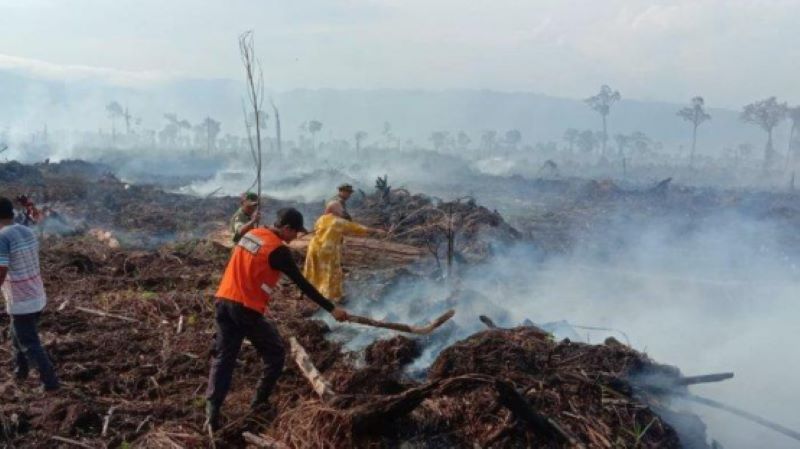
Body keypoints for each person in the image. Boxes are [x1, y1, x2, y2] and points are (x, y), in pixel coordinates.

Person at [205, 208, 350, 431]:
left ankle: (211, 414)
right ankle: (259, 404)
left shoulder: (251, 234)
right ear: (286, 228)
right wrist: (332, 309)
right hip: (245, 309)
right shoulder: (278, 251)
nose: (296, 238)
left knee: (223, 358)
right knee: (275, 354)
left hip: (223, 302)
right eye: (295, 233)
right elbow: (302, 283)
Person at [0, 197, 59, 392]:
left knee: (29, 343)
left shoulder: (2, 237)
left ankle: (49, 382)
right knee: (16, 335)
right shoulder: (24, 230)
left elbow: (1, 269)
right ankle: (20, 371)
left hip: (21, 299)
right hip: (36, 294)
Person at [303, 211, 384, 302]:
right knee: (333, 273)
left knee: (312, 270)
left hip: (313, 247)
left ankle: (305, 291)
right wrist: (377, 231)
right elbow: (359, 228)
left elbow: (317, 229)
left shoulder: (322, 218)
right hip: (327, 251)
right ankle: (333, 297)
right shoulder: (340, 222)